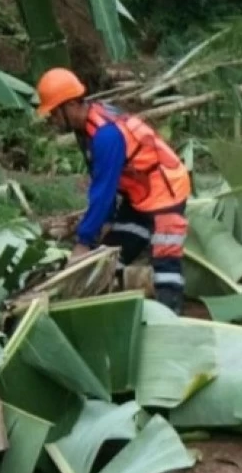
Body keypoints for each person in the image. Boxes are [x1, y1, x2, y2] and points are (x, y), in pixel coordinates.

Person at [35, 68, 192, 314]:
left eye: (54, 112)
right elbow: (102, 179)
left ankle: (171, 319)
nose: (52, 120)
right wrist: (105, 222)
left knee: (166, 264)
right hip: (139, 193)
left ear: (71, 105)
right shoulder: (85, 128)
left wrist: (83, 242)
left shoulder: (106, 135)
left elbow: (103, 192)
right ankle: (111, 307)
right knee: (110, 256)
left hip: (165, 192)